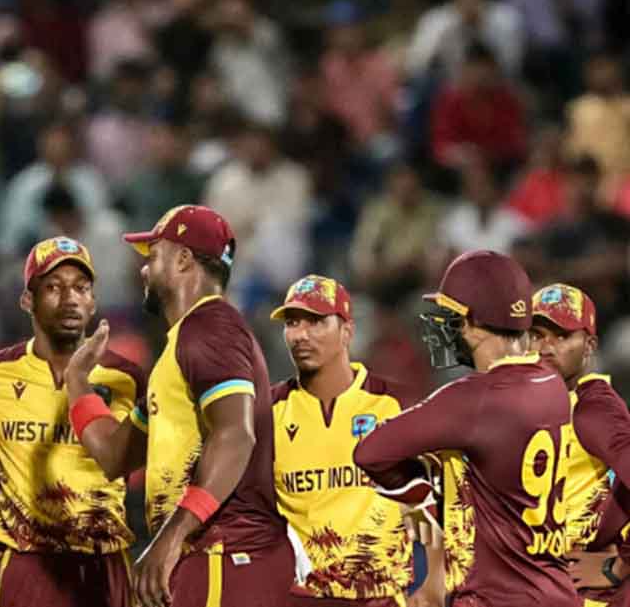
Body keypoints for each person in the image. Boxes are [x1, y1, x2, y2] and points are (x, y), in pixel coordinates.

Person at [64, 205, 293, 607]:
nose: (143, 270)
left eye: (153, 256)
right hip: (206, 554)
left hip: (225, 552)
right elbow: (115, 455)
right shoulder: (180, 349)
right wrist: (77, 383)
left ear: (184, 259)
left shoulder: (210, 327)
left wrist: (171, 536)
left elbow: (235, 435)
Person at [0, 236, 145, 607]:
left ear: (93, 301)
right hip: (29, 568)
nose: (70, 299)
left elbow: (172, 456)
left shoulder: (127, 378)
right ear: (27, 300)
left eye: (81, 288)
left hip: (107, 566)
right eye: (53, 287)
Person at [353, 250, 577, 606]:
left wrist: (421, 488)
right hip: (557, 593)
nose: (448, 327)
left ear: (473, 321)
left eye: (454, 317)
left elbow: (370, 452)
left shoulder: (471, 399)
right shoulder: (552, 383)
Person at [268, 275, 414, 605]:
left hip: (380, 596)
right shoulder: (267, 411)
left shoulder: (395, 404)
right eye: (292, 323)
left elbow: (434, 498)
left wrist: (435, 577)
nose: (300, 335)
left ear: (347, 331)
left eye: (316, 321)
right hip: (301, 597)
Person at [529, 283, 630, 604]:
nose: (546, 346)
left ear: (589, 345)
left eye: (562, 336)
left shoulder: (592, 408)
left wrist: (620, 565)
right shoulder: (537, 407)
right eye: (537, 334)